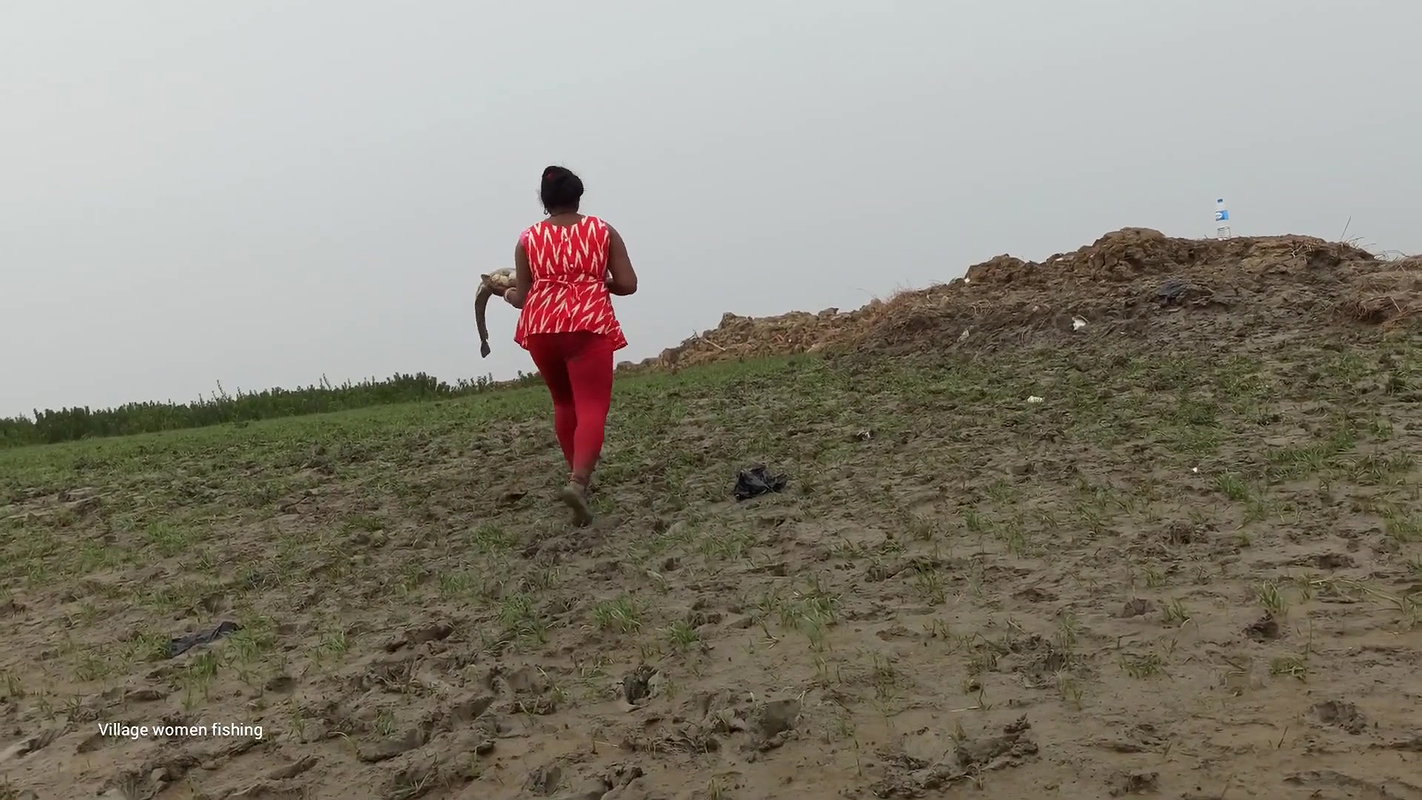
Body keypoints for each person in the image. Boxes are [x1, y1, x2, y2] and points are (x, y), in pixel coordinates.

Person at [502, 165, 638, 526]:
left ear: (544, 202)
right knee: (592, 406)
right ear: (579, 196)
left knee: (564, 402)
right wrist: (597, 280)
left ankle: (576, 477)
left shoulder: (528, 240)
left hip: (542, 328)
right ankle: (578, 482)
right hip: (588, 325)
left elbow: (523, 296)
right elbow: (628, 284)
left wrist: (507, 292)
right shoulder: (602, 231)